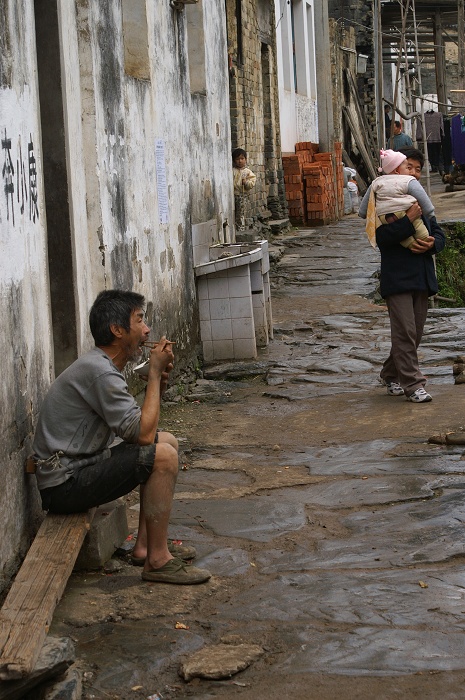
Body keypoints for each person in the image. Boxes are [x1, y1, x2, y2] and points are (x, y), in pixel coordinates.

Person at [32, 289, 211, 585]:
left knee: (167, 442)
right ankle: (158, 562)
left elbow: (142, 428)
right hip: (64, 485)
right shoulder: (100, 373)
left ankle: (145, 547)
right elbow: (142, 435)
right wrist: (154, 376)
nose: (147, 330)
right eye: (139, 320)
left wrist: (158, 383)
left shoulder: (103, 367)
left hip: (81, 469)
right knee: (162, 456)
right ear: (117, 330)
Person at [359, 147, 446, 403]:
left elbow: (438, 233)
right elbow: (382, 238)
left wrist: (433, 244)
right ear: (397, 170)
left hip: (422, 277)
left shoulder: (418, 202)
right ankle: (413, 385)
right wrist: (408, 219)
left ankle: (390, 374)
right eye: (410, 167)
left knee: (413, 334)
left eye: (418, 169)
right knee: (405, 332)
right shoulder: (385, 205)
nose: (414, 173)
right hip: (397, 278)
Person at [359, 149, 434, 248]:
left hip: (385, 217)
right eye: (408, 167)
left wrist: (362, 213)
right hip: (403, 216)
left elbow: (363, 209)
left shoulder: (376, 183)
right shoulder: (409, 181)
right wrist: (427, 213)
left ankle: (412, 245)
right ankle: (424, 241)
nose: (412, 173)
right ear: (397, 170)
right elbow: (426, 203)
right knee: (421, 232)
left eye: (418, 169)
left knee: (407, 242)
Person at [232, 147, 256, 229]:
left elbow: (251, 184)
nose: (240, 161)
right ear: (234, 160)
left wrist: (246, 182)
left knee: (240, 213)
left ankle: (240, 228)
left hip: (242, 196)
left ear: (245, 159)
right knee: (232, 212)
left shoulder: (248, 172)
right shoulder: (232, 171)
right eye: (237, 159)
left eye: (242, 159)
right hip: (233, 195)